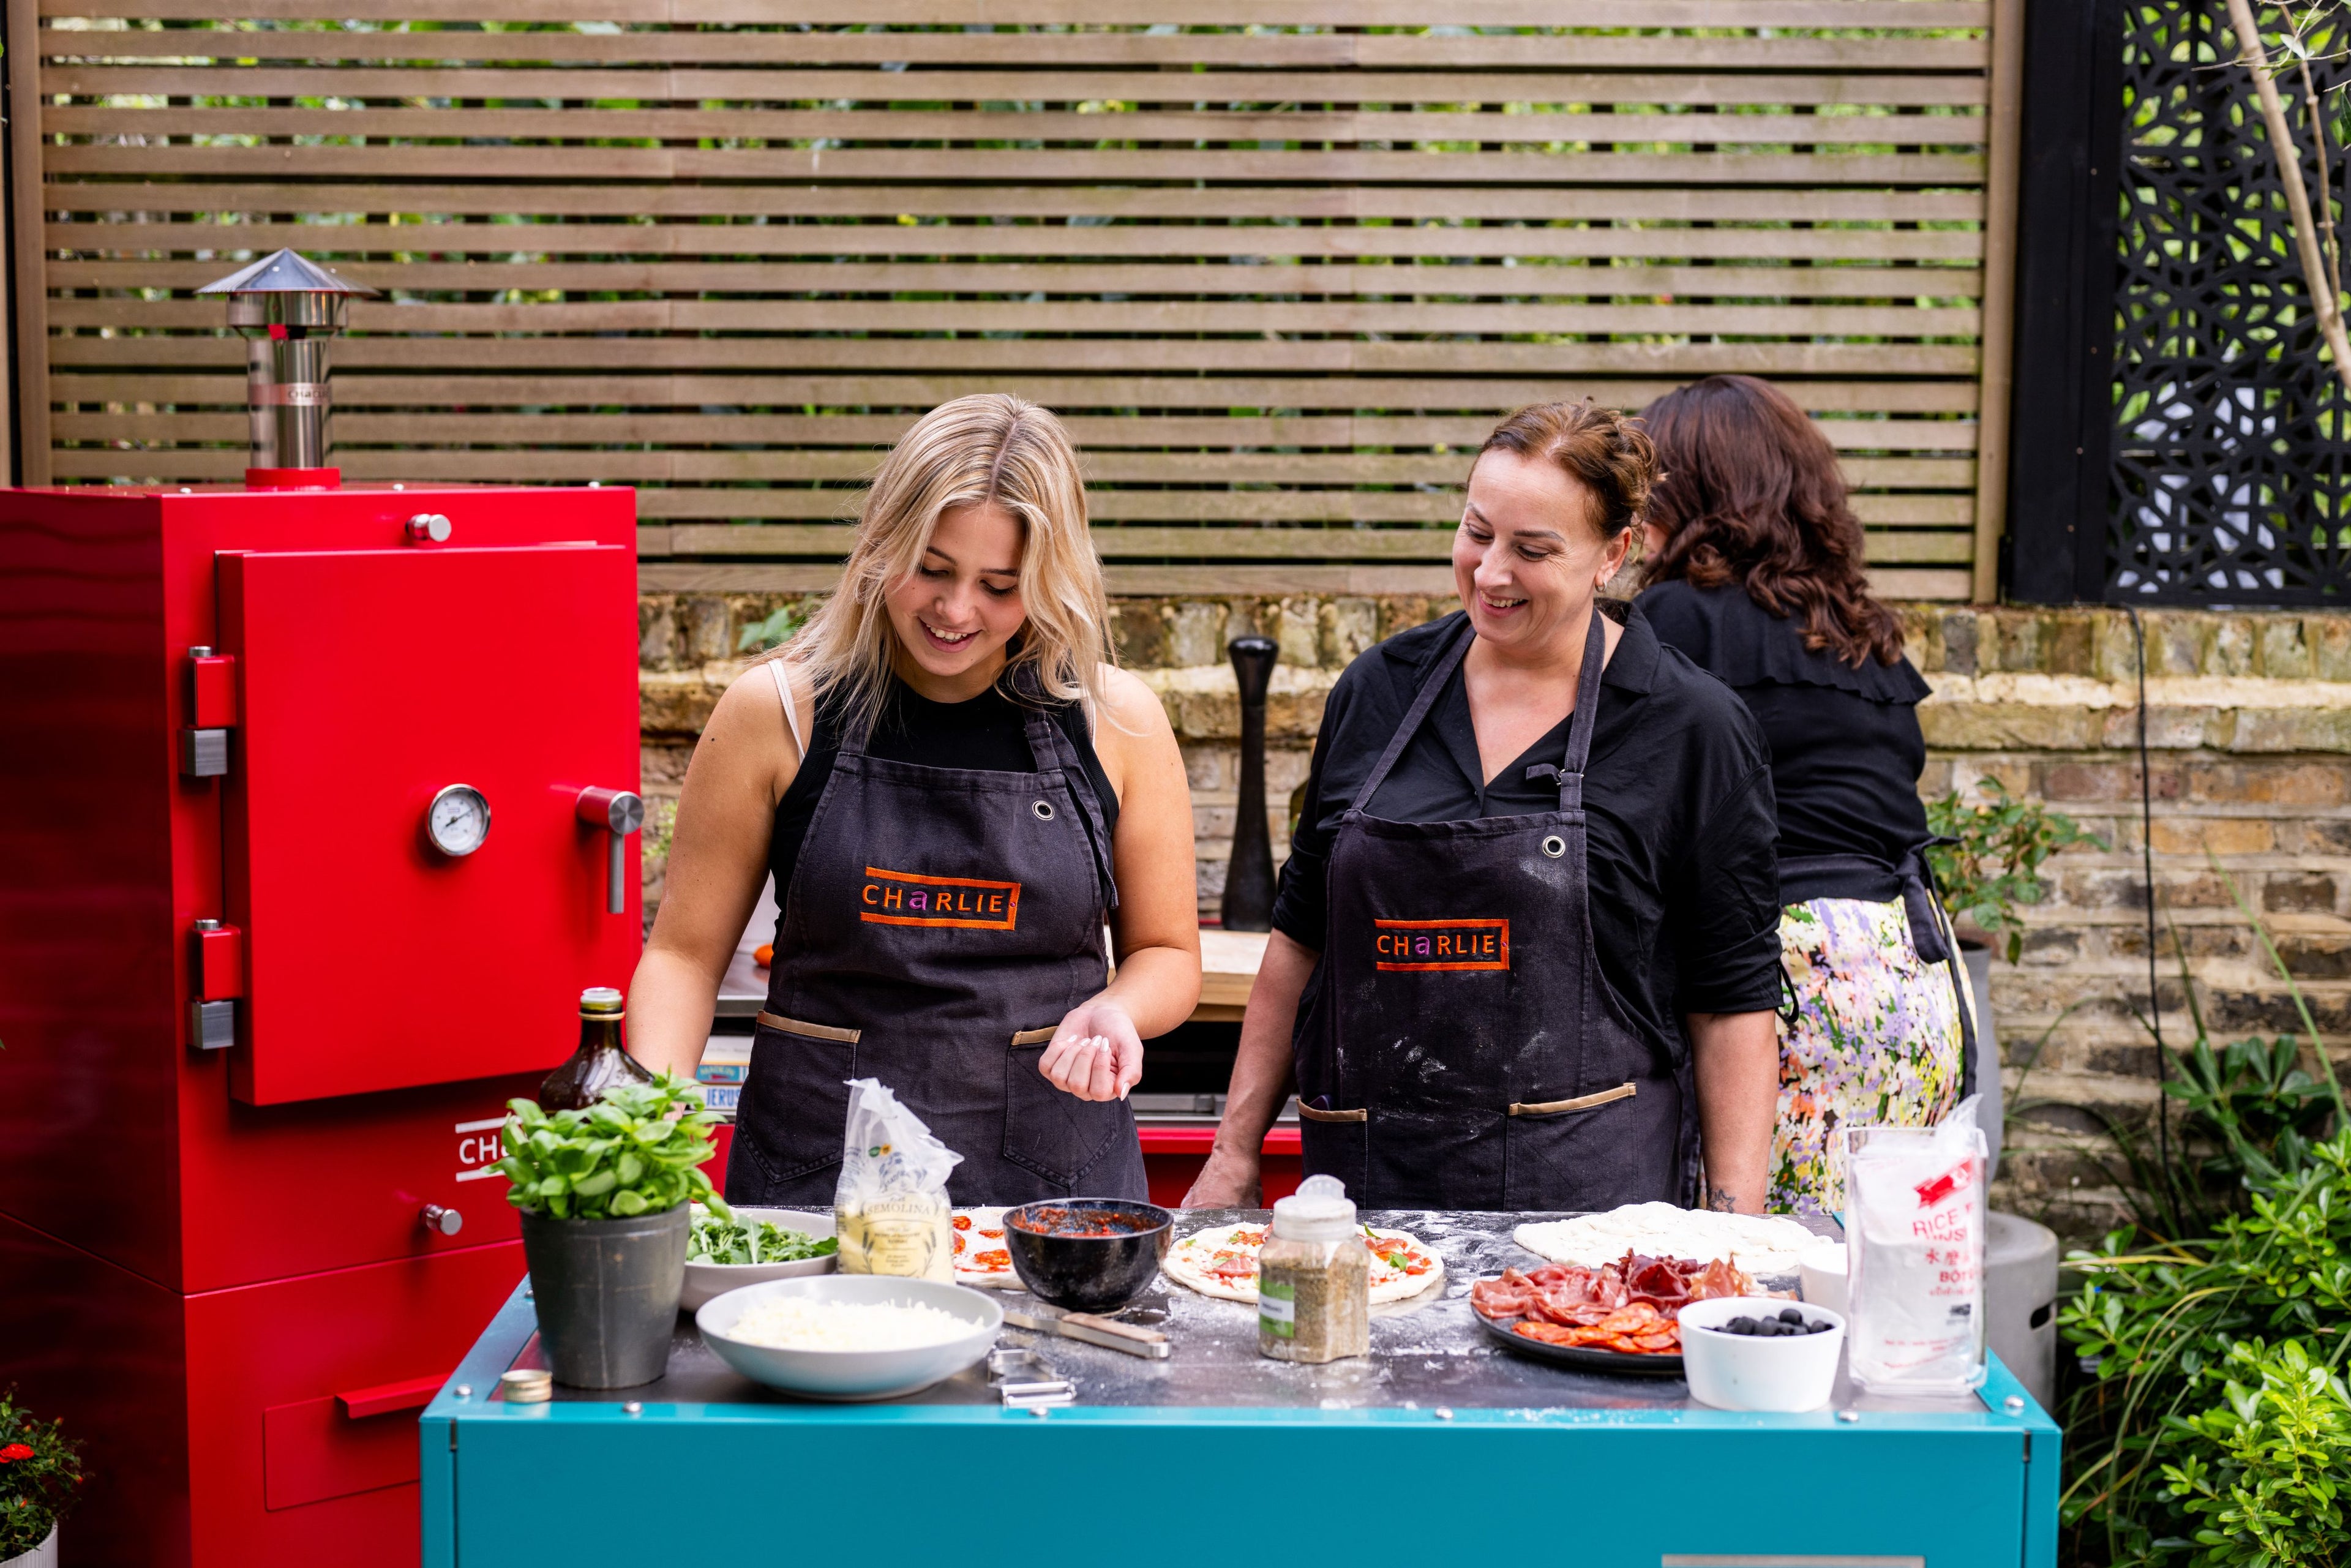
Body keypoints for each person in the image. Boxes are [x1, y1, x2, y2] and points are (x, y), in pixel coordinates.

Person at [1185, 400, 1784, 1215]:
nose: (1491, 572)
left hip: (1586, 1221)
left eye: (1534, 549)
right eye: (1477, 531)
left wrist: (1734, 1227)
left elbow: (1731, 1002)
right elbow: (1300, 940)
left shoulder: (1692, 727)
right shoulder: (1379, 691)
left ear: (1615, 553)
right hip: (1363, 1211)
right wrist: (1232, 1152)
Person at [626, 394, 1201, 1206]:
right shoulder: (776, 714)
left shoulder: (1119, 723)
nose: (956, 609)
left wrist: (1118, 1011)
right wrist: (651, 1129)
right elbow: (684, 954)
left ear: (1050, 581)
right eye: (931, 568)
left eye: (1000, 586)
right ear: (881, 542)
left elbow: (1168, 956)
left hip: (1049, 1203)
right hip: (817, 1195)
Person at [1635, 373, 1974, 1217]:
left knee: (1745, 1285)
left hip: (1778, 988)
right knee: (1871, 1280)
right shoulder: (1862, 633)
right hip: (1910, 975)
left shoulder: (1674, 621)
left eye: (1649, 486)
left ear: (1694, 492)